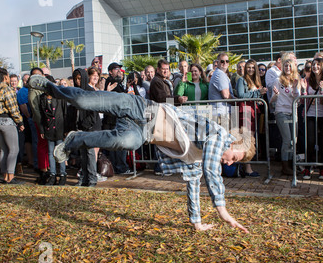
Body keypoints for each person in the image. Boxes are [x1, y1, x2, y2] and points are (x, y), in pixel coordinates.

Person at [28, 74, 254, 233]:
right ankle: (49, 87)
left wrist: (197, 222)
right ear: (233, 141)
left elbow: (194, 187)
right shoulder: (218, 134)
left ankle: (73, 140)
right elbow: (212, 171)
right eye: (233, 157)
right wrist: (222, 211)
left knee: (128, 142)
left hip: (142, 131)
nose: (228, 162)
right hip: (139, 108)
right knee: (84, 100)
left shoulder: (197, 158)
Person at [0, 67, 25, 184]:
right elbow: (13, 108)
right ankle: (11, 177)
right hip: (6, 122)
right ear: (5, 77)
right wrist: (20, 121)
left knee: (3, 150)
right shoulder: (6, 89)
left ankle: (4, 175)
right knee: (13, 149)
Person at [301, 57, 323, 180]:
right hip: (310, 114)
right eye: (313, 65)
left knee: (322, 142)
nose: (315, 67)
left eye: (318, 65)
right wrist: (303, 91)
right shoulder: (308, 80)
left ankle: (322, 169)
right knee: (310, 142)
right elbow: (302, 100)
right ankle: (308, 167)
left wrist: (322, 90)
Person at [235, 59, 267, 177]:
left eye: (253, 67)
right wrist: (257, 93)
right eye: (249, 67)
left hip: (253, 111)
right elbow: (241, 95)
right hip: (245, 110)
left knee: (251, 138)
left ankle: (247, 165)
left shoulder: (255, 81)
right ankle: (247, 167)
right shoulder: (241, 80)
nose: (251, 69)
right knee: (246, 138)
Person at [270, 59, 301, 176]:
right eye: (286, 66)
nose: (288, 68)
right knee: (287, 139)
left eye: (290, 66)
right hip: (281, 111)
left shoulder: (296, 80)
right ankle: (285, 166)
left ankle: (292, 164)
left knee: (294, 140)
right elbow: (272, 100)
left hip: (293, 111)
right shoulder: (278, 80)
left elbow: (298, 98)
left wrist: (295, 88)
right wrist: (276, 95)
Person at [39, 86, 67, 186]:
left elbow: (65, 113)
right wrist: (42, 129)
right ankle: (53, 174)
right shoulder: (42, 98)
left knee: (60, 151)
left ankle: (63, 174)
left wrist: (66, 129)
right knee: (50, 152)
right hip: (49, 128)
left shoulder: (59, 97)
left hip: (59, 128)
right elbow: (41, 115)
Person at [208, 53, 234, 119]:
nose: (225, 63)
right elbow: (226, 95)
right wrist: (237, 101)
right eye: (222, 61)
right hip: (221, 114)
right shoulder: (219, 74)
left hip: (222, 112)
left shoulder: (221, 74)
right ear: (218, 62)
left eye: (227, 61)